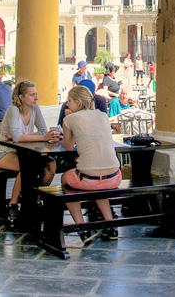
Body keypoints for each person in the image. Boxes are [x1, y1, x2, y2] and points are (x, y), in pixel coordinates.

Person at [61, 85, 122, 243]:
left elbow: (67, 147)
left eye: (69, 101)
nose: (67, 105)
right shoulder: (102, 115)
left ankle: (82, 228)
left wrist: (67, 122)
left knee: (65, 180)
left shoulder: (70, 119)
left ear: (79, 101)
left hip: (89, 179)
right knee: (99, 182)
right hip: (115, 176)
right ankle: (111, 226)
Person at [0, 81, 60, 223]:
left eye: (36, 94)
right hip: (4, 152)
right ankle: (13, 204)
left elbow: (42, 130)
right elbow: (18, 137)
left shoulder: (35, 109)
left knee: (51, 165)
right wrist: (40, 137)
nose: (36, 98)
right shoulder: (14, 110)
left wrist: (28, 137)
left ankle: (34, 200)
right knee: (27, 167)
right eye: (32, 95)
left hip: (27, 152)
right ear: (21, 97)